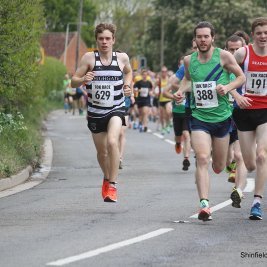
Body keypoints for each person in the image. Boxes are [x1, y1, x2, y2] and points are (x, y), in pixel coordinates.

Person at [174, 21, 246, 221]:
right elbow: (188, 80)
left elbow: (241, 78)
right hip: (199, 117)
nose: (203, 40)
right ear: (195, 39)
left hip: (222, 118)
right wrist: (180, 91)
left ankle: (219, 166)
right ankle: (204, 204)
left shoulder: (223, 56)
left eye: (206, 36)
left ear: (212, 38)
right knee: (203, 158)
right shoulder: (189, 61)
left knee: (218, 166)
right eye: (199, 37)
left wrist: (228, 87)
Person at [71, 23, 132, 202]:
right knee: (102, 153)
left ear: (113, 40)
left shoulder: (122, 58)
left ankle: (112, 185)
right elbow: (73, 82)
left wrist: (127, 85)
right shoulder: (89, 59)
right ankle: (106, 178)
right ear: (96, 40)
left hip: (116, 108)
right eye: (101, 39)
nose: (104, 42)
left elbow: (128, 72)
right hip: (96, 111)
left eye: (107, 38)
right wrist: (83, 79)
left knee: (113, 142)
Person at [233, 17, 267, 220]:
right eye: (259, 33)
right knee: (251, 163)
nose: (263, 36)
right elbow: (224, 75)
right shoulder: (242, 53)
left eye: (266, 33)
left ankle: (257, 202)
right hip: (244, 111)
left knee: (262, 155)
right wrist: (236, 95)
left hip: (265, 110)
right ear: (252, 34)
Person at [224, 34, 248, 208]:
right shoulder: (222, 66)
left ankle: (238, 190)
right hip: (223, 115)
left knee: (239, 155)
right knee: (225, 162)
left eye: (237, 49)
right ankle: (231, 168)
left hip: (242, 115)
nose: (234, 52)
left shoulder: (249, 67)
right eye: (230, 49)